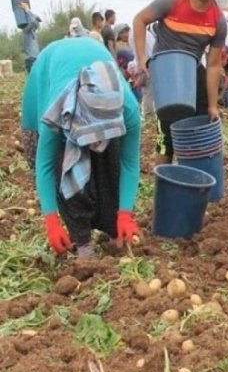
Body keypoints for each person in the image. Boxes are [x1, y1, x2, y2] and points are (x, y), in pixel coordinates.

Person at [20, 38, 141, 259]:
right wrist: (51, 220)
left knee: (108, 156)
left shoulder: (127, 107)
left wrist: (125, 213)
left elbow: (129, 163)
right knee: (63, 163)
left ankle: (113, 228)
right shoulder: (55, 111)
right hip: (48, 72)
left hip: (95, 72)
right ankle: (82, 240)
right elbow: (45, 166)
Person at [132, 0, 228, 164]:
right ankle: (164, 188)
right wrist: (142, 59)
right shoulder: (173, 0)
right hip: (165, 72)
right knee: (166, 135)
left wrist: (213, 105)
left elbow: (213, 66)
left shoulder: (218, 21)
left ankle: (196, 180)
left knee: (202, 124)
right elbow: (140, 20)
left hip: (192, 70)